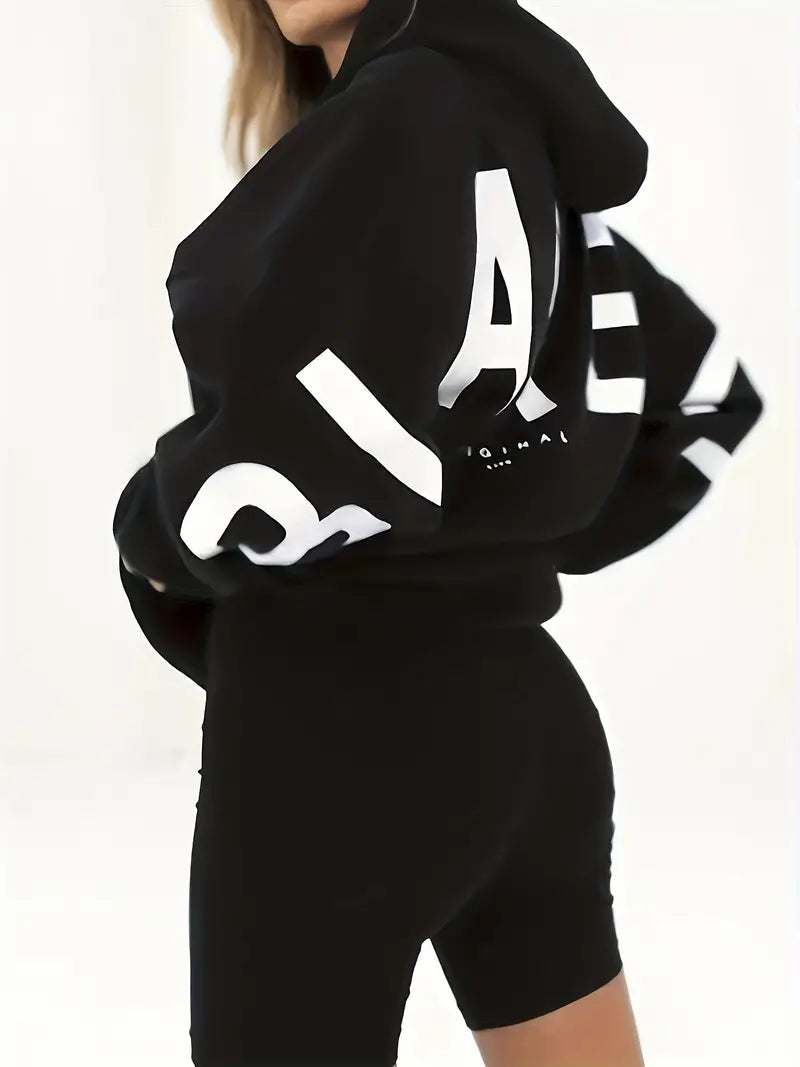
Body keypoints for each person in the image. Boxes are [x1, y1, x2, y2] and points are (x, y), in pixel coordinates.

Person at [111, 2, 765, 1065]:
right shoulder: (526, 150)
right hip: (526, 723)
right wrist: (507, 531)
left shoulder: (402, 113)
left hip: (327, 739)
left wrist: (149, 532)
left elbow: (287, 457)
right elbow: (703, 396)